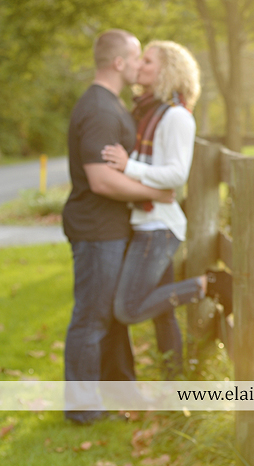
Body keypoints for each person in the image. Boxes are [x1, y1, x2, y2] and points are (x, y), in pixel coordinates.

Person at [62, 29, 176, 424]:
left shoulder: (109, 104)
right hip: (96, 229)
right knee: (91, 318)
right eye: (136, 55)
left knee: (108, 317)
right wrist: (155, 193)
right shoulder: (99, 110)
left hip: (111, 228)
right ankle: (82, 409)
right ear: (118, 62)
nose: (141, 62)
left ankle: (118, 394)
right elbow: (101, 180)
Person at [101, 40, 231, 379]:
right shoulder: (148, 113)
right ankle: (174, 390)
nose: (139, 65)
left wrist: (129, 166)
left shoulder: (175, 117)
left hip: (158, 228)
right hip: (147, 221)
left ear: (166, 70)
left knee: (127, 309)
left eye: (147, 61)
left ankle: (206, 284)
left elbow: (176, 175)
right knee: (162, 313)